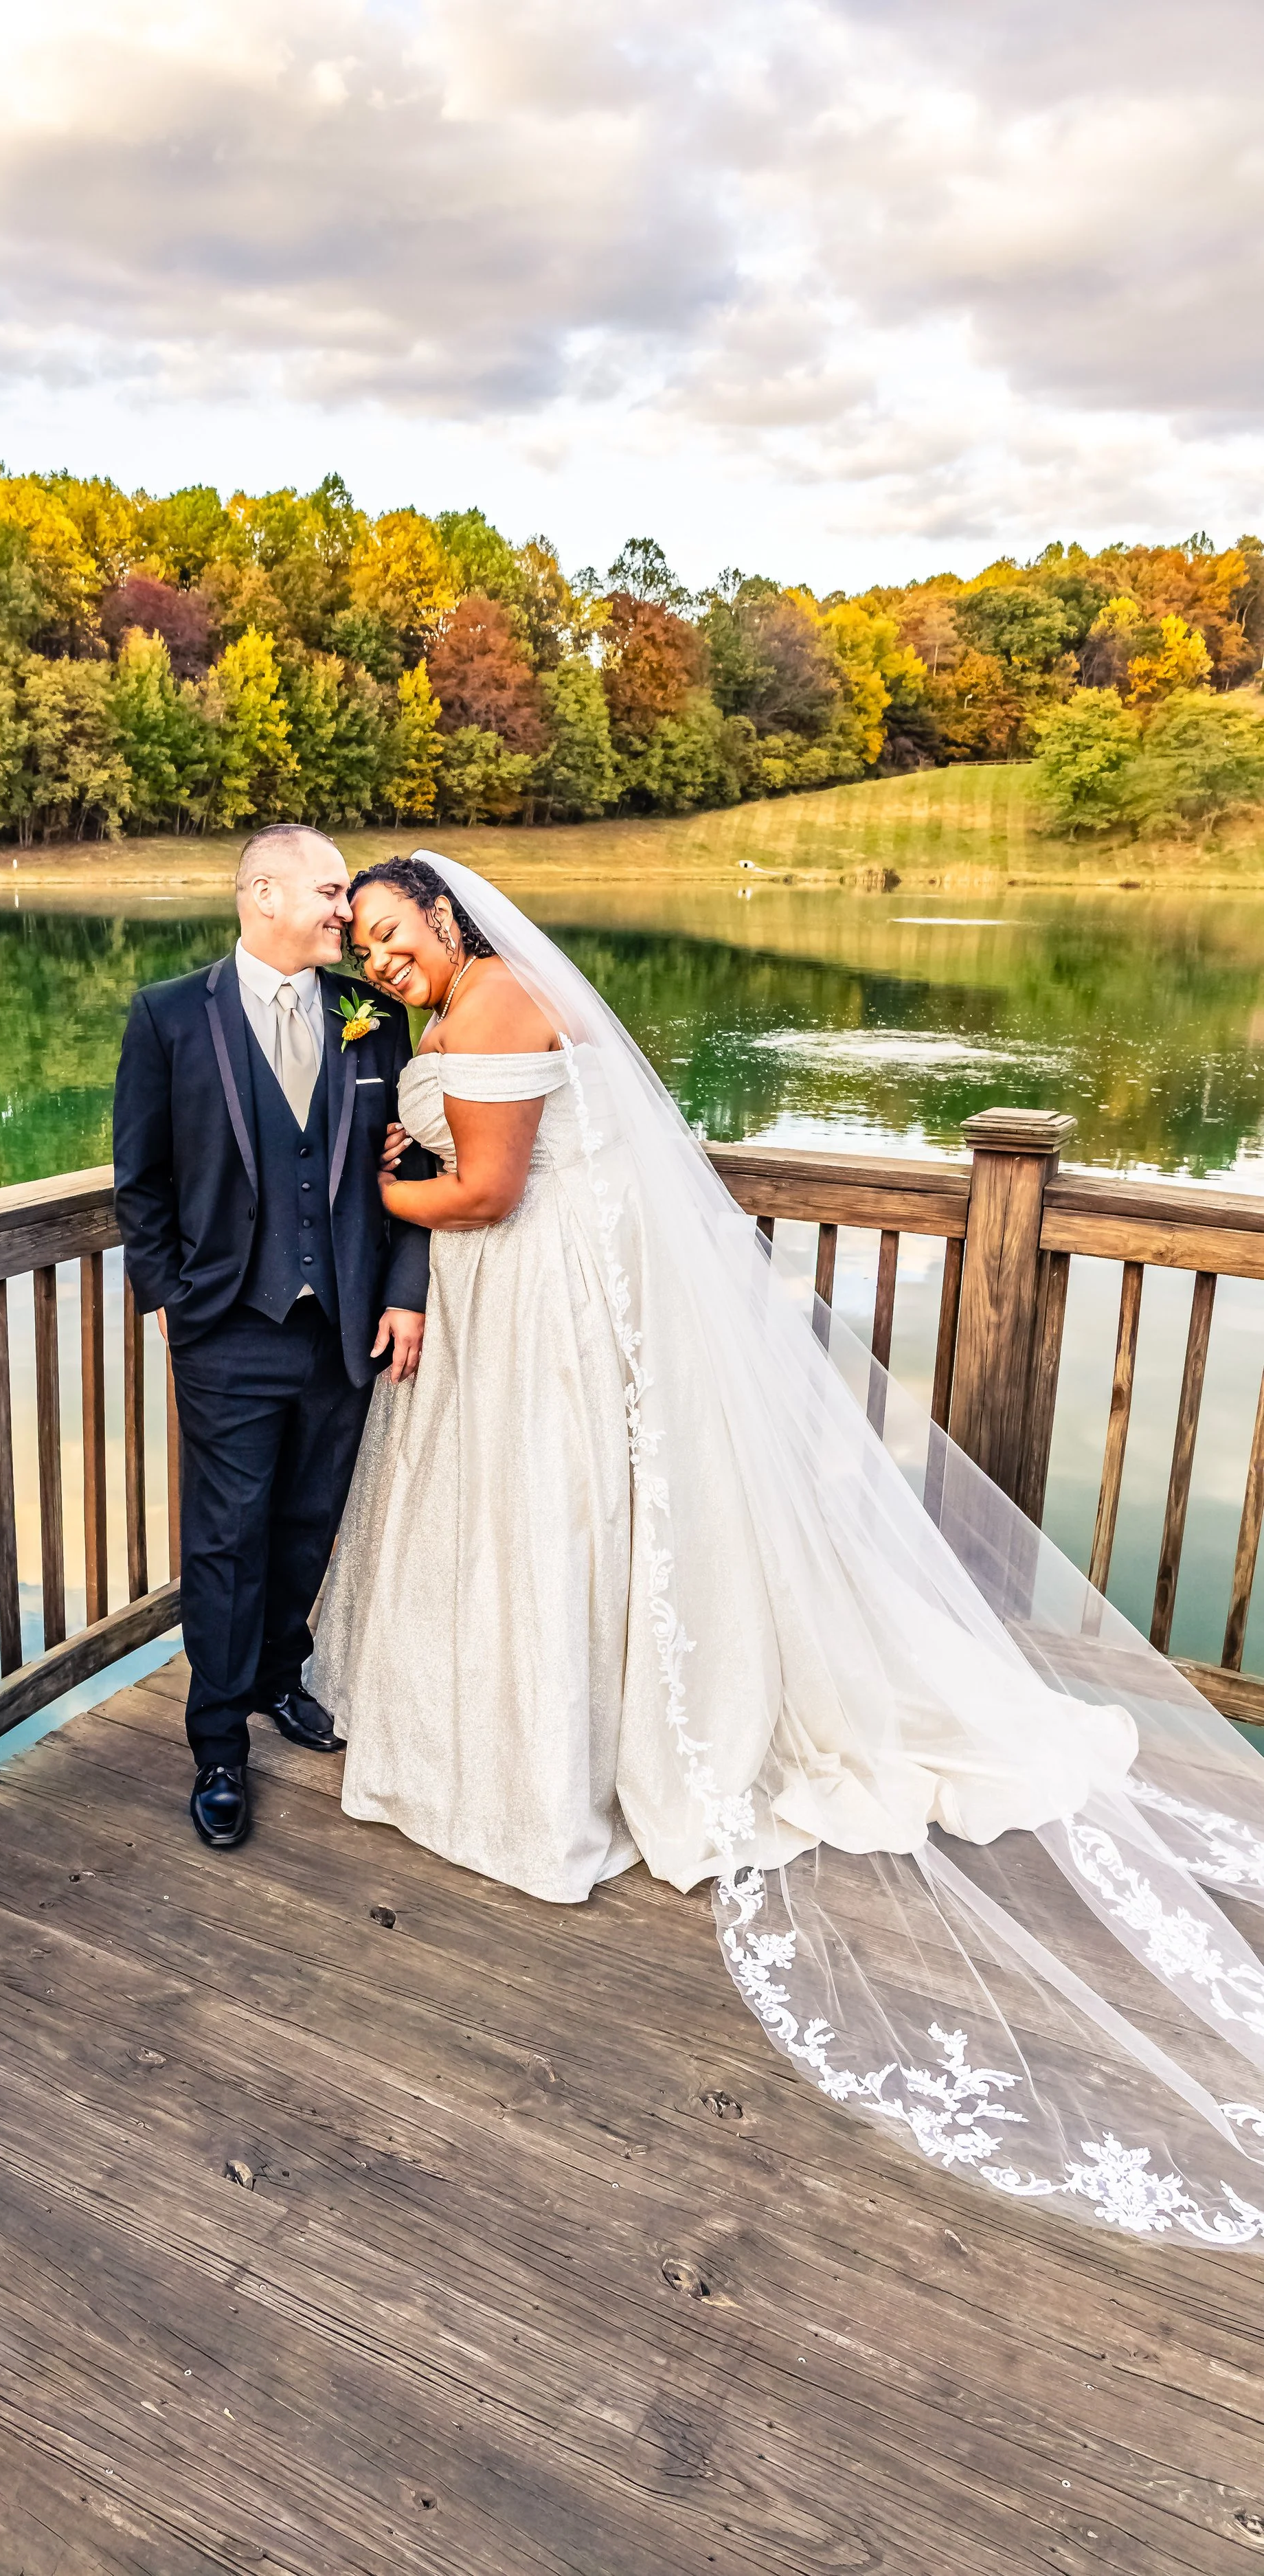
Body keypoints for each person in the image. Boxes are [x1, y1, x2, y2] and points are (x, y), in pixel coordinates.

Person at [311, 851, 1264, 2247]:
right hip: (500, 1304)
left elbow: (491, 1192)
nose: (384, 962)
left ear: (446, 918)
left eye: (396, 935)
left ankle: (552, 1760)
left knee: (555, 1511)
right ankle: (492, 1728)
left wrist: (379, 1197)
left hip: (534, 1292)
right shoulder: (446, 1011)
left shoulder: (502, 997)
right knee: (515, 1517)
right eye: (366, 950)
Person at [111, 824, 429, 1851]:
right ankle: (217, 1745)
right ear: (265, 896)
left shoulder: (373, 1016)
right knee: (226, 1536)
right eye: (332, 892)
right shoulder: (166, 1017)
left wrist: (404, 1289)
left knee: (307, 1522)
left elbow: (417, 1164)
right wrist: (175, 1300)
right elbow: (141, 1180)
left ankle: (282, 1676)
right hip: (227, 1330)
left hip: (344, 1321)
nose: (348, 913)